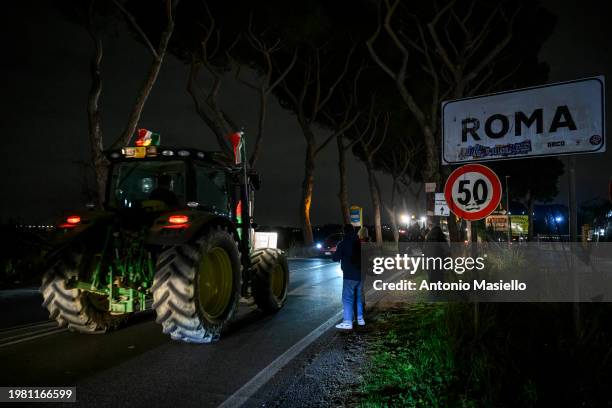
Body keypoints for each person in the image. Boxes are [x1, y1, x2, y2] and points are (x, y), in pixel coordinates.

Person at [332, 224, 364, 330]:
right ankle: (360, 319)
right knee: (359, 298)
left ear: (344, 232)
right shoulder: (359, 242)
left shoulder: (343, 243)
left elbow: (335, 258)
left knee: (347, 299)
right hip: (361, 275)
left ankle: (347, 322)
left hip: (349, 275)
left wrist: (336, 251)